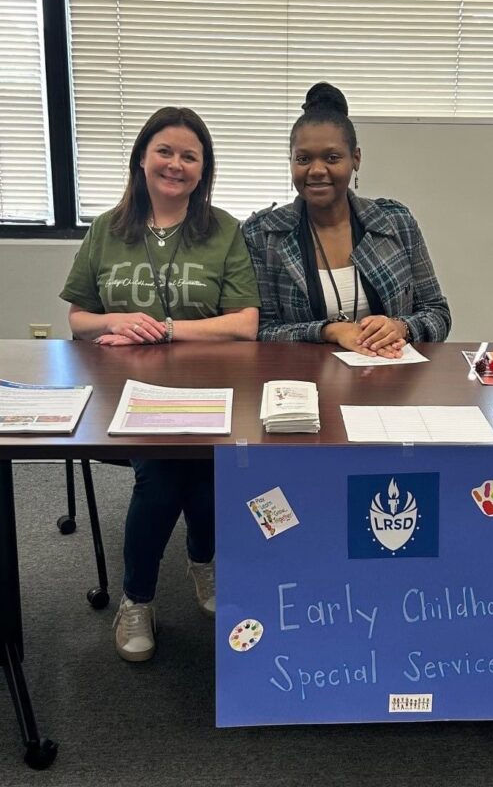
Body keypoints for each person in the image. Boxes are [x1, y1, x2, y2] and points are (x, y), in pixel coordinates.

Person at [60, 107, 261, 662]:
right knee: (168, 477)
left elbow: (245, 323)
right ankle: (144, 597)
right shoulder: (107, 228)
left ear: (203, 169)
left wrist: (169, 329)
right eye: (165, 152)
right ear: (142, 159)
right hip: (127, 392)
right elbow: (78, 319)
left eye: (189, 156)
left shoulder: (223, 229)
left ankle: (193, 569)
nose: (175, 164)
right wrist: (115, 321)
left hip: (208, 388)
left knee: (186, 475)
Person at [243, 82, 450, 356]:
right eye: (303, 159)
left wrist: (401, 327)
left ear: (356, 159)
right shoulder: (263, 234)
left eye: (332, 157)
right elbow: (261, 331)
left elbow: (438, 314)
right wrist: (328, 331)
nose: (317, 170)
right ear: (291, 161)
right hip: (304, 386)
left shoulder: (395, 222)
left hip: (391, 379)